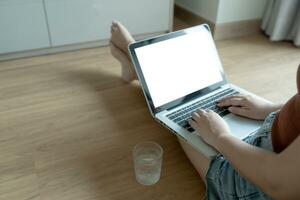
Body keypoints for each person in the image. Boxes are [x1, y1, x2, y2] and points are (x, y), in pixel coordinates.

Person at [109, 21, 300, 199]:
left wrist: (221, 137)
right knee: (191, 101)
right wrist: (271, 109)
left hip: (254, 182)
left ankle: (134, 61)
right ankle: (135, 67)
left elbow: (278, 184)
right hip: (268, 135)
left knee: (179, 110)